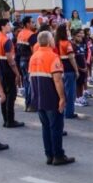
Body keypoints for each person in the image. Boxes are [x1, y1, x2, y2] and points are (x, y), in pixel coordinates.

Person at [29, 31, 74, 166]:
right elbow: (58, 80)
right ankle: (58, 155)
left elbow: (31, 78)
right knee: (56, 127)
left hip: (39, 97)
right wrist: (62, 98)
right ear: (49, 42)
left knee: (46, 127)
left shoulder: (34, 56)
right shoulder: (53, 56)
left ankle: (49, 154)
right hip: (51, 97)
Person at [0, 18, 24, 128]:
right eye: (8, 25)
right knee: (11, 95)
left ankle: (6, 118)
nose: (10, 27)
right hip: (7, 70)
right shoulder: (6, 40)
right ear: (3, 27)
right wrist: (17, 73)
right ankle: (10, 120)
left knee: (4, 94)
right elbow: (10, 60)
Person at [56, 26, 79, 119]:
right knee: (70, 92)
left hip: (59, 69)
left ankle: (63, 109)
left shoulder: (56, 43)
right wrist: (76, 70)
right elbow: (71, 57)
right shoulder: (67, 43)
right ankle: (69, 112)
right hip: (69, 69)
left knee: (62, 91)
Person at [16, 16, 36, 112]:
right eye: (32, 22)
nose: (34, 23)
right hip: (29, 61)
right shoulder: (31, 35)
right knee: (31, 83)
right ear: (27, 24)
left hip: (22, 60)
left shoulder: (20, 33)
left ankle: (27, 104)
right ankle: (30, 105)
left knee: (26, 83)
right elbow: (34, 50)